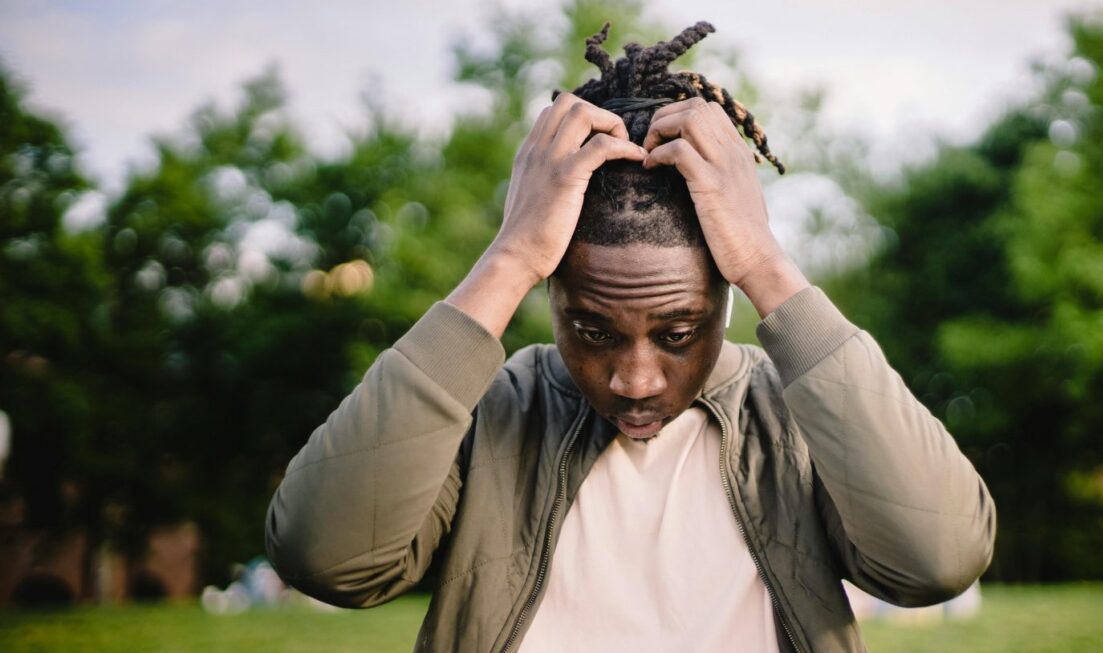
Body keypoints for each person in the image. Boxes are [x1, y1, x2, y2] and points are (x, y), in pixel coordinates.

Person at [264, 20, 996, 653]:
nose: (635, 378)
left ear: (725, 294)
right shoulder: (490, 412)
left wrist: (769, 263)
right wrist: (508, 256)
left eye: (677, 332)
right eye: (593, 330)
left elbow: (939, 558)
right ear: (550, 292)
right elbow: (325, 557)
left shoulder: (801, 417)